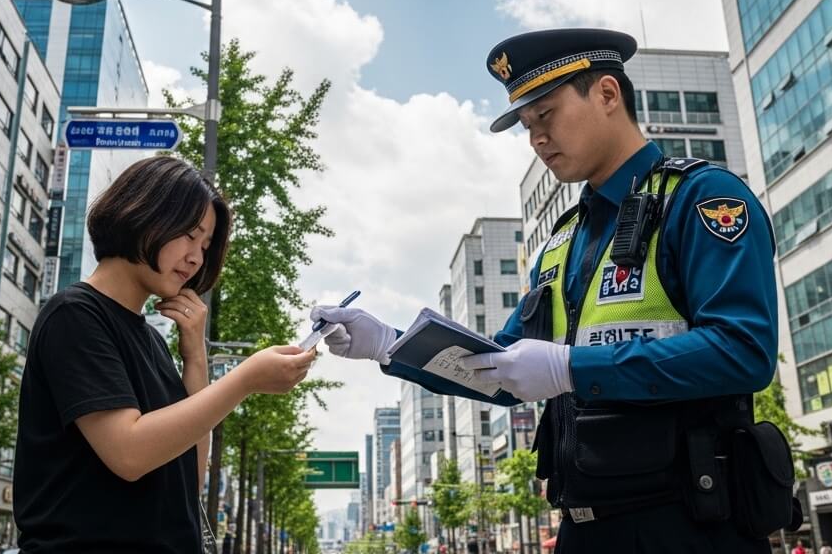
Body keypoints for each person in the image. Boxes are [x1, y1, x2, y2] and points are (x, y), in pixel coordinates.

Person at [315, 29, 787, 553]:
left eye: (546, 116)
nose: (537, 138)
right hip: (581, 528)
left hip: (688, 525)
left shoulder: (702, 198)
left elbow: (743, 349)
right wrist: (389, 344)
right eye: (526, 125)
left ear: (608, 95)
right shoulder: (562, 240)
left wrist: (571, 368)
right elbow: (499, 368)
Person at [14, 156, 318, 553]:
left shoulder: (152, 341)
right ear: (142, 213)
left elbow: (187, 473)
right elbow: (129, 452)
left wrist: (196, 358)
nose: (196, 257)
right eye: (190, 235)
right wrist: (244, 380)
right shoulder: (75, 315)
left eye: (206, 246)